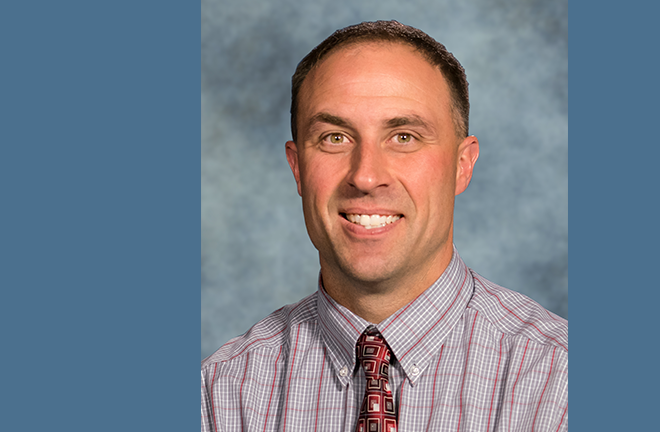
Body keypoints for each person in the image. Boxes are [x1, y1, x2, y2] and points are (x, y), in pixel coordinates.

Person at [201, 20, 567, 432]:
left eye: (404, 137)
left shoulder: (560, 381)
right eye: (335, 138)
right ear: (297, 166)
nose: (366, 176)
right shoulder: (219, 395)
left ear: (462, 165)